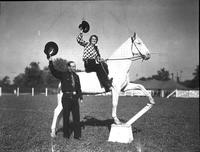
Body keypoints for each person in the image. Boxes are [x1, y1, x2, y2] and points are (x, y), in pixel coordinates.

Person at [48, 56, 82, 140]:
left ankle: (77, 136)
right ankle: (66, 135)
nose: (74, 68)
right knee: (66, 117)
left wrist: (80, 97)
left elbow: (79, 88)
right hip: (66, 98)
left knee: (76, 117)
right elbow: (53, 71)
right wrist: (50, 62)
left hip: (74, 98)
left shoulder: (77, 76)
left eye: (75, 66)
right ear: (69, 67)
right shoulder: (63, 74)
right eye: (73, 66)